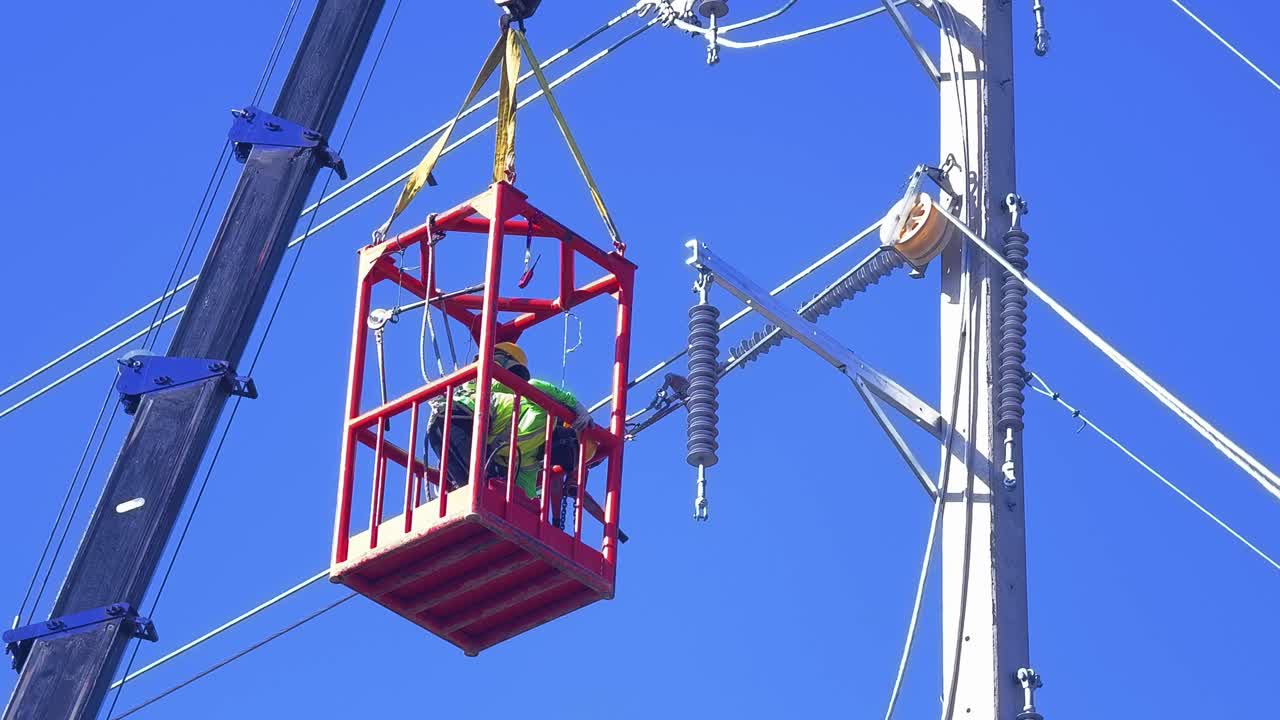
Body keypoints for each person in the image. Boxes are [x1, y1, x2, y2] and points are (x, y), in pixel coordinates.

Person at [425, 341, 593, 502]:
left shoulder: (529, 461)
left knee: (481, 492)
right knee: (484, 489)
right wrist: (577, 407)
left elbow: (526, 494)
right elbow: (536, 386)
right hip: (456, 418)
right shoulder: (539, 410)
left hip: (455, 429)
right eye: (574, 451)